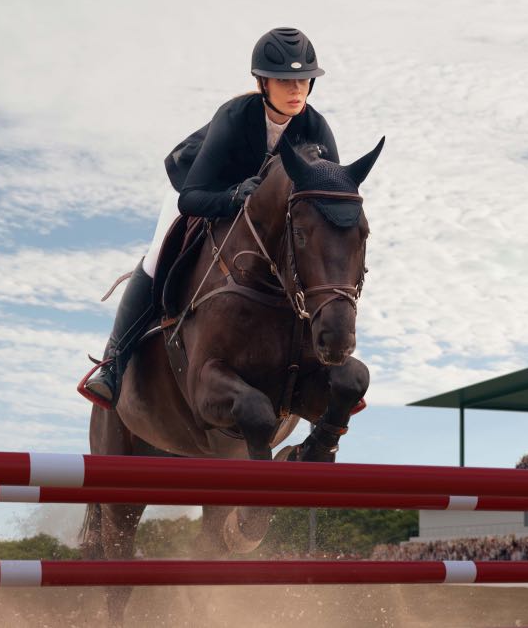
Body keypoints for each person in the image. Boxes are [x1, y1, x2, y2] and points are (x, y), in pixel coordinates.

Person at [83, 26, 340, 408]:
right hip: (200, 188)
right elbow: (192, 198)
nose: (295, 89)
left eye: (303, 80)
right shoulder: (235, 116)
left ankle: (326, 363)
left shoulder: (315, 127)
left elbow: (327, 200)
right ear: (262, 82)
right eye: (285, 80)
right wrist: (236, 197)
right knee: (156, 257)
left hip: (261, 214)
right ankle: (114, 363)